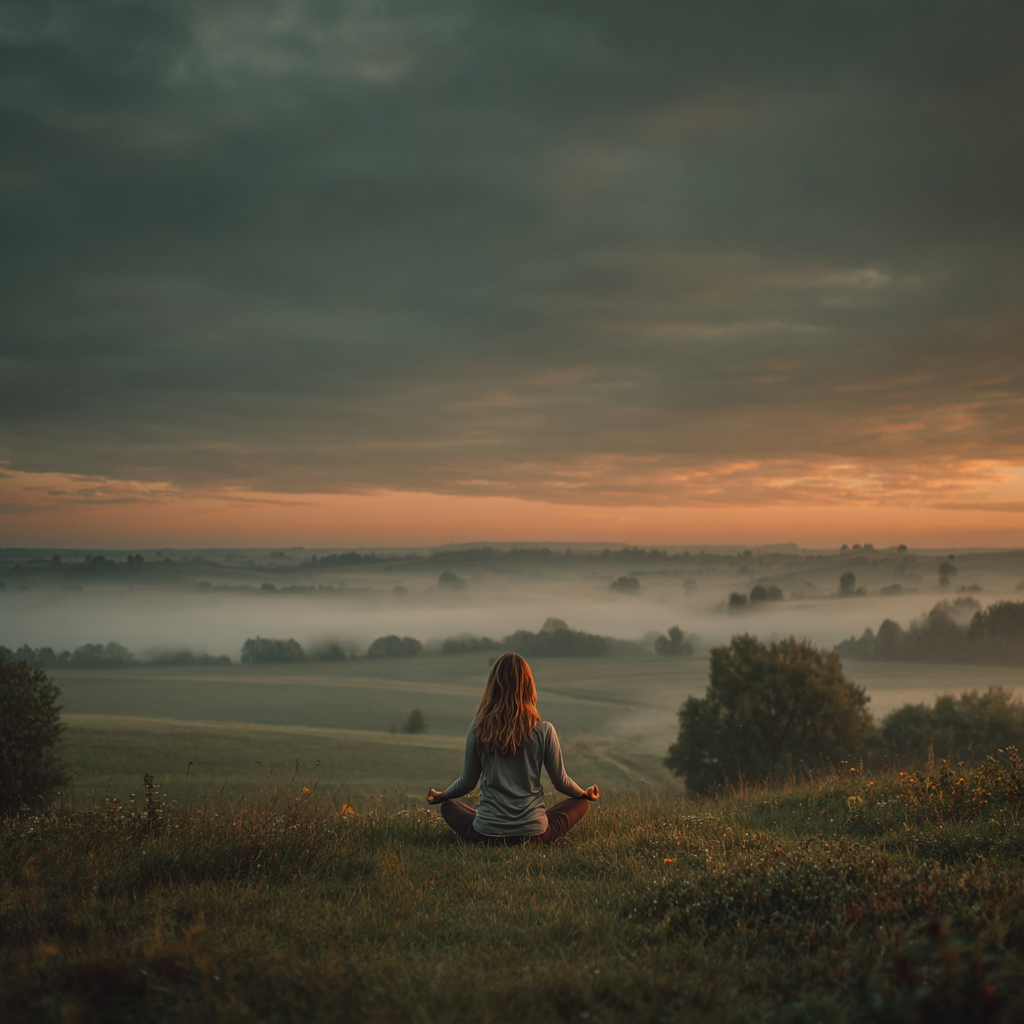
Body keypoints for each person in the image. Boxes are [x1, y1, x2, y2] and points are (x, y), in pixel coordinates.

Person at [426, 651, 599, 844]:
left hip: (486, 835)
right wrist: (585, 794)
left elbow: (467, 782)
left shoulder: (477, 729)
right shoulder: (544, 730)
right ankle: (528, 824)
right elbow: (561, 782)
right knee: (581, 802)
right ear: (529, 686)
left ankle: (490, 821)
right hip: (534, 834)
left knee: (448, 806)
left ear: (493, 687)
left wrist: (443, 796)